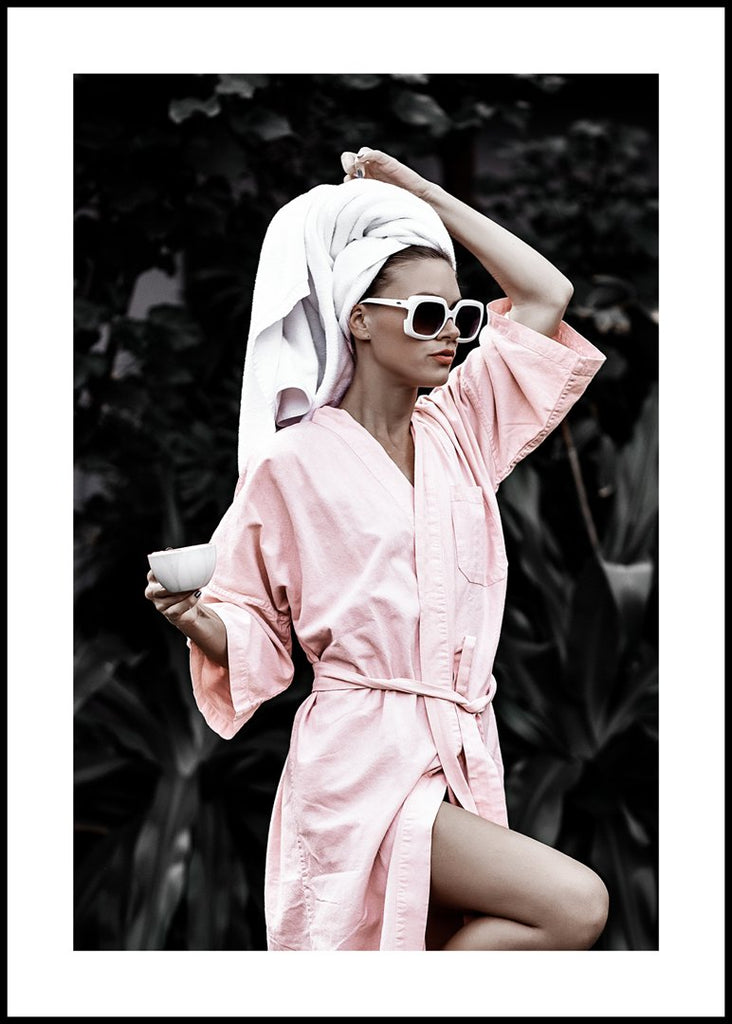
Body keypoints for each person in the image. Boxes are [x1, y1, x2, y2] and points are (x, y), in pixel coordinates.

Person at [145, 146, 609, 951]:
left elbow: (546, 295)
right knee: (574, 903)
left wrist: (421, 193)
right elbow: (253, 626)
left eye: (462, 315)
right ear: (358, 318)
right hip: (360, 763)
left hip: (458, 745)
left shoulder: (464, 429)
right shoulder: (292, 463)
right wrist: (192, 617)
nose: (451, 334)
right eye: (426, 314)